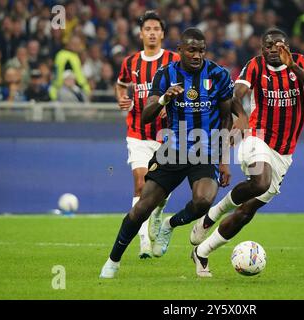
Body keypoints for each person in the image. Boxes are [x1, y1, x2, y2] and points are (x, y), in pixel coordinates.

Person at [100, 27, 234, 278]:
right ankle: (113, 261)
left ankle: (169, 224)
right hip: (172, 150)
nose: (197, 55)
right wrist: (163, 100)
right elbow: (148, 114)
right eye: (192, 50)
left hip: (204, 152)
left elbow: (227, 118)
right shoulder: (166, 74)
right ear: (180, 50)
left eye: (201, 50)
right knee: (141, 208)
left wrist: (224, 160)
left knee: (203, 201)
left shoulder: (218, 74)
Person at [189, 28, 304, 277]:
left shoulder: (300, 62)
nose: (272, 49)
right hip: (257, 137)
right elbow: (235, 93)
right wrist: (240, 115)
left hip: (284, 153)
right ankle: (213, 213)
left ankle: (202, 252)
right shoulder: (255, 66)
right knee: (260, 182)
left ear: (287, 47)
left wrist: (292, 66)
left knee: (246, 211)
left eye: (277, 44)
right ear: (262, 49)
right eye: (267, 45)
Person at [114, 11, 180, 259]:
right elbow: (121, 84)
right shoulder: (130, 63)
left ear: (162, 33)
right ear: (141, 33)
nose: (152, 32)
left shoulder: (174, 60)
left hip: (167, 134)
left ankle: (159, 211)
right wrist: (122, 99)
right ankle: (143, 243)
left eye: (156, 29)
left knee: (161, 191)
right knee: (141, 184)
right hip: (138, 133)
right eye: (147, 29)